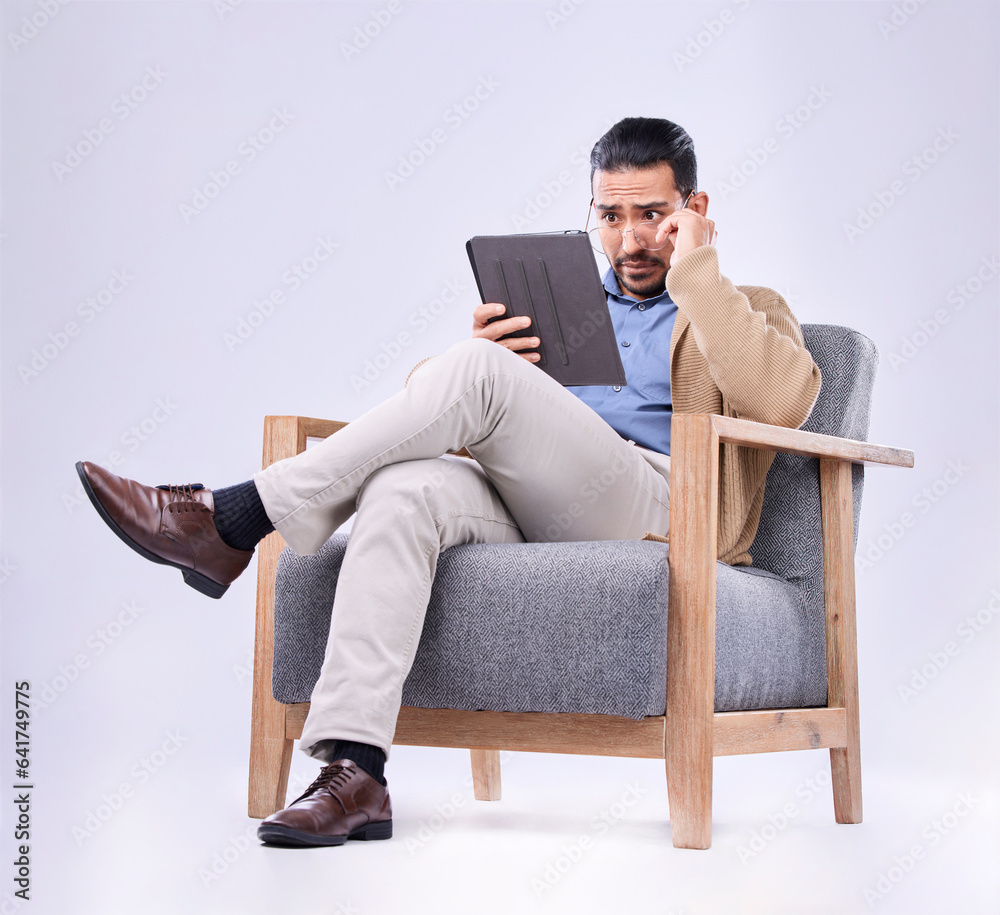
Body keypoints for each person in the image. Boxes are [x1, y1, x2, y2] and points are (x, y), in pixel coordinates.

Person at [76, 116, 821, 849]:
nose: (629, 239)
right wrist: (481, 362)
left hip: (662, 509)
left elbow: (788, 401)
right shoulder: (564, 302)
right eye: (610, 215)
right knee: (404, 487)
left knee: (471, 376)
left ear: (693, 211)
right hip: (538, 501)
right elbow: (429, 411)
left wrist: (697, 274)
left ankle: (232, 517)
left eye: (652, 215)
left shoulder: (742, 305)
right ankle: (356, 771)